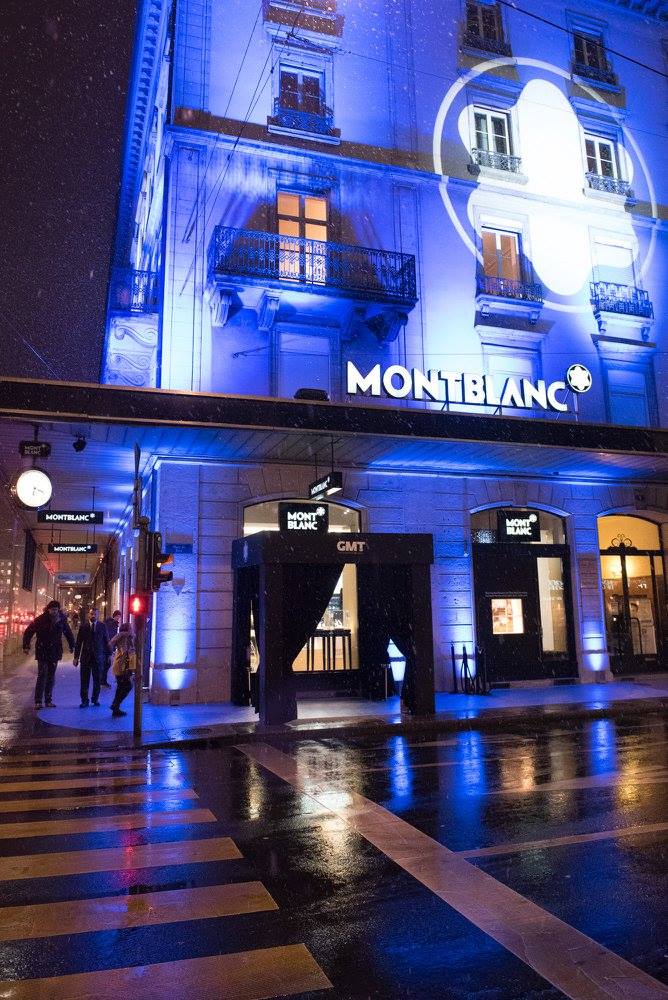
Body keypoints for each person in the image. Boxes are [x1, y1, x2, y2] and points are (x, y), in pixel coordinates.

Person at [22, 599, 75, 710]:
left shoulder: (61, 620)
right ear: (48, 609)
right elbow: (28, 632)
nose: (54, 611)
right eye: (52, 609)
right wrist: (26, 646)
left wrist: (72, 645)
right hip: (43, 651)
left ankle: (48, 700)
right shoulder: (40, 620)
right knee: (42, 675)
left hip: (54, 651)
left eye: (56, 609)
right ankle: (38, 701)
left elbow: (68, 633)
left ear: (58, 610)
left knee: (51, 676)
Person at [73, 607, 110, 708]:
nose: (93, 615)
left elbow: (106, 641)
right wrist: (76, 657)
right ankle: (84, 700)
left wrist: (109, 655)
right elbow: (79, 642)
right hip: (86, 657)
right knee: (84, 680)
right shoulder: (83, 626)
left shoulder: (102, 626)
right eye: (91, 614)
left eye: (95, 614)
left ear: (98, 615)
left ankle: (95, 699)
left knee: (97, 680)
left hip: (98, 658)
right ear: (88, 615)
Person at [109, 622, 135, 717]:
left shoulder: (124, 637)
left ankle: (115, 707)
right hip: (122, 667)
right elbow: (125, 652)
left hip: (121, 666)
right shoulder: (125, 637)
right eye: (130, 628)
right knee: (127, 686)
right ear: (127, 630)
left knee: (121, 687)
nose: (132, 629)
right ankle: (115, 705)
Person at [101, 609, 121, 688]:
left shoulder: (110, 623)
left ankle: (102, 681)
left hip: (107, 647)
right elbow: (111, 636)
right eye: (118, 616)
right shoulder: (112, 624)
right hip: (108, 647)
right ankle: (102, 681)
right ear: (115, 616)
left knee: (107, 664)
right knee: (107, 664)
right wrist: (112, 648)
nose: (119, 618)